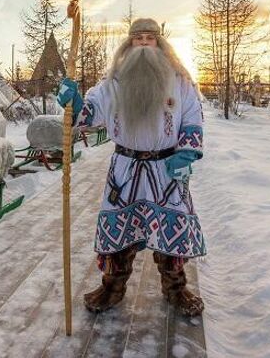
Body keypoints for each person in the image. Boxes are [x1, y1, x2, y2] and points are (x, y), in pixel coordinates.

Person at [57, 17, 206, 316]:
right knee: (118, 233)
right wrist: (73, 101)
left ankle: (176, 289)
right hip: (124, 171)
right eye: (138, 38)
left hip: (166, 169)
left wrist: (186, 154)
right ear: (129, 43)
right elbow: (88, 115)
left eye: (149, 38)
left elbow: (192, 118)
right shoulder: (111, 84)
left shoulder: (180, 82)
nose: (143, 43)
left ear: (159, 43)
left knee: (171, 231)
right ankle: (112, 287)